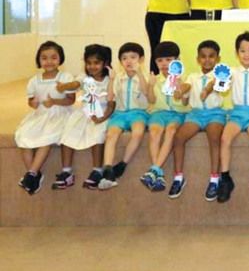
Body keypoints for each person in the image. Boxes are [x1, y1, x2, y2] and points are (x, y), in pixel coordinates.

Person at [168, 40, 227, 201]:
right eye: (203, 56)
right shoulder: (193, 76)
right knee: (178, 137)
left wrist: (207, 90)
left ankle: (214, 179)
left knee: (214, 137)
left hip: (215, 114)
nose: (207, 60)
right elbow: (186, 87)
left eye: (211, 56)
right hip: (195, 114)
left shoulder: (221, 75)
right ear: (197, 59)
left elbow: (216, 84)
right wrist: (180, 90)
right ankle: (178, 178)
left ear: (218, 59)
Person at [16, 41, 76, 195]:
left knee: (47, 136)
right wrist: (33, 103)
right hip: (41, 114)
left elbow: (71, 100)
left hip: (60, 113)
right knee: (23, 136)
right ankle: (34, 174)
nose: (49, 61)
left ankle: (31, 173)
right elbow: (31, 101)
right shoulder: (34, 80)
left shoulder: (66, 77)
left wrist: (54, 101)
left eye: (53, 57)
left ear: (60, 59)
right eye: (44, 58)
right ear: (39, 60)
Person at [217, 31, 249, 204]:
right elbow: (223, 88)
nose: (247, 54)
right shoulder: (232, 71)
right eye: (243, 51)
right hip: (237, 114)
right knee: (225, 139)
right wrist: (221, 80)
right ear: (237, 53)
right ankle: (225, 178)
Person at [55, 44, 114, 190]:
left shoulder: (110, 80)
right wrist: (64, 86)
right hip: (85, 112)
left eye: (96, 63)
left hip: (102, 113)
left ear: (105, 63)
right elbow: (75, 83)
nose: (92, 66)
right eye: (89, 63)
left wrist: (102, 118)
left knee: (98, 135)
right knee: (68, 132)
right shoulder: (84, 77)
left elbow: (112, 103)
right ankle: (66, 172)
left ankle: (97, 171)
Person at [98, 43, 149, 190]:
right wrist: (111, 80)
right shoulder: (118, 77)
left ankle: (122, 164)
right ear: (120, 61)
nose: (129, 61)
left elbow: (147, 92)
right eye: (124, 58)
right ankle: (108, 168)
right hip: (120, 114)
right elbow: (110, 97)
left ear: (141, 59)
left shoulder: (146, 76)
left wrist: (139, 74)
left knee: (138, 133)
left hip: (138, 113)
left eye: (133, 57)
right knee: (111, 135)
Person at [140, 42, 189, 192]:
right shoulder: (155, 79)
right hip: (158, 113)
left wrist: (180, 87)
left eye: (168, 60)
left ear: (177, 60)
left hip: (178, 114)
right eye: (160, 60)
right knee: (154, 132)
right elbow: (151, 101)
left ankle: (154, 170)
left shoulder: (185, 78)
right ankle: (157, 173)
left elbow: (185, 102)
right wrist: (150, 85)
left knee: (171, 130)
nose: (164, 64)